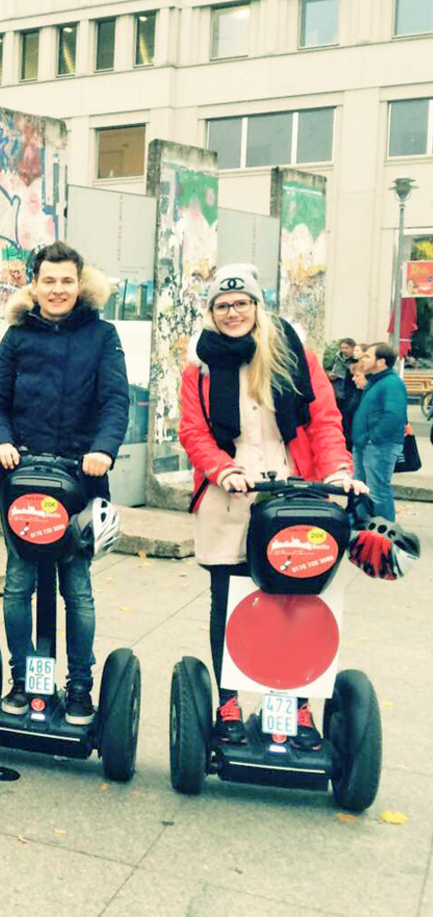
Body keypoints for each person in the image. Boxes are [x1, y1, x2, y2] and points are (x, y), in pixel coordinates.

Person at [177, 263, 362, 750]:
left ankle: (296, 704)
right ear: (212, 312)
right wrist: (224, 470)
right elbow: (193, 432)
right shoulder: (199, 367)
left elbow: (323, 418)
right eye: (222, 305)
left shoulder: (292, 354)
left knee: (298, 602)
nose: (232, 312)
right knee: (231, 601)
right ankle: (229, 701)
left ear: (257, 306)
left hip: (293, 491)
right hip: (230, 494)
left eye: (241, 303)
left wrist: (338, 469)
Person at [0, 241, 129, 727]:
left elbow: (115, 401)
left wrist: (103, 449)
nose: (58, 289)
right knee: (18, 585)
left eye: (67, 280)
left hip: (80, 481)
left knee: (77, 588)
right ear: (35, 284)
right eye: (49, 280)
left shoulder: (102, 336)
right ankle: (23, 678)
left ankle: (80, 683)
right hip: (23, 478)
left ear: (80, 283)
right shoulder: (17, 336)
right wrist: (2, 442)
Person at [352, 342, 408, 521]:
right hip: (365, 444)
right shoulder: (376, 382)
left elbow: (394, 416)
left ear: (381, 362)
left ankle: (384, 534)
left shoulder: (391, 383)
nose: (363, 358)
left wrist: (373, 438)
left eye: (368, 356)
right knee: (361, 489)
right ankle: (362, 528)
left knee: (378, 491)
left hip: (380, 446)